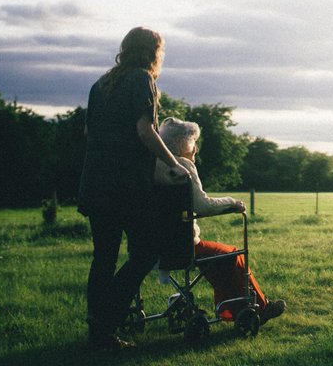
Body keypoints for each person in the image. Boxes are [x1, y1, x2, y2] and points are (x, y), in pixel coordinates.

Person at [77, 27, 189, 351]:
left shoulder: (101, 85)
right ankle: (105, 321)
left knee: (104, 258)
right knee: (145, 253)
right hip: (125, 185)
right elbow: (145, 130)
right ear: (152, 52)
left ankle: (98, 333)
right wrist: (174, 163)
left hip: (95, 182)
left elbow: (89, 131)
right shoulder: (142, 80)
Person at [154, 117, 286, 325]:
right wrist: (232, 203)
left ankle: (230, 311)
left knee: (217, 258)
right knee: (232, 255)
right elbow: (203, 206)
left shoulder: (153, 165)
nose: (196, 149)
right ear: (182, 144)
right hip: (182, 246)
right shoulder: (183, 166)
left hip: (154, 246)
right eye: (193, 142)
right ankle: (259, 307)